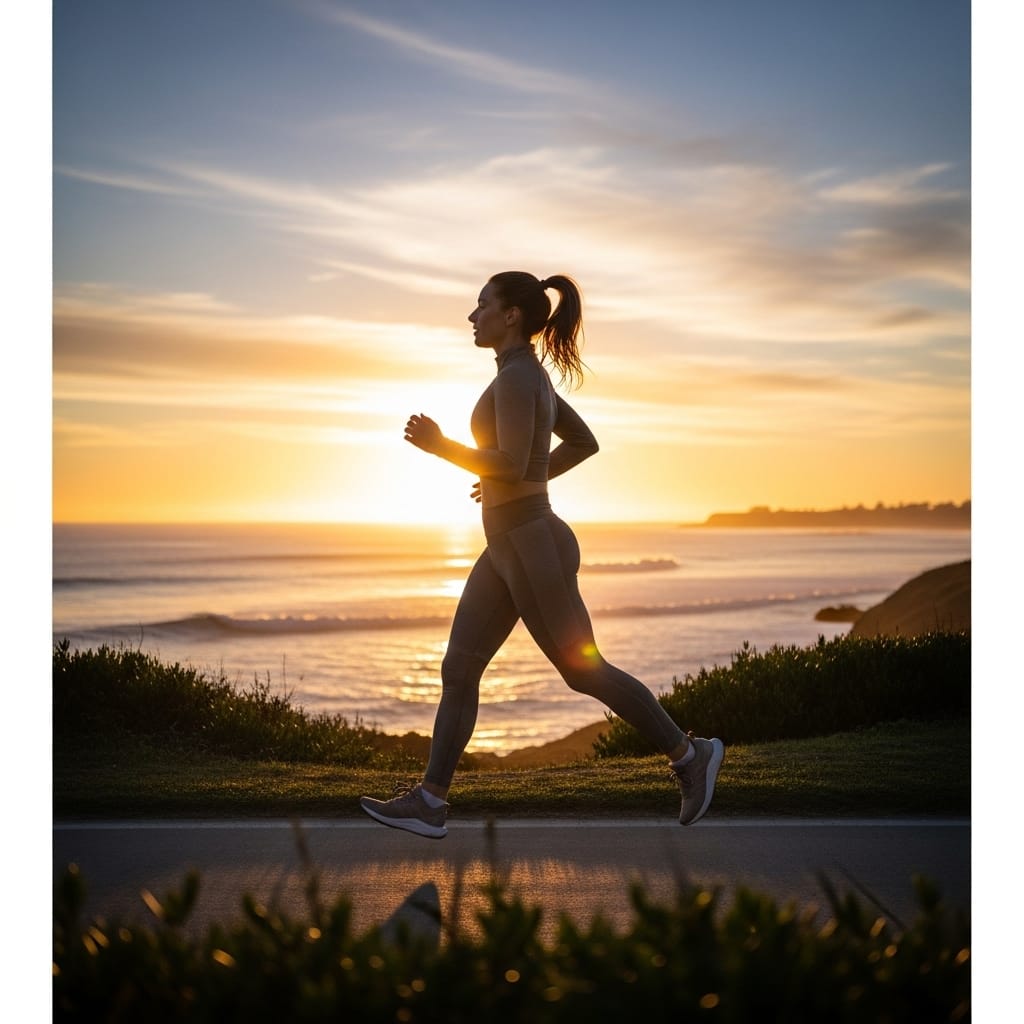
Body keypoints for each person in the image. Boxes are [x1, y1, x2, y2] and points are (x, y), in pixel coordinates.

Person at [360, 272, 724, 838]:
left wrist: (444, 449)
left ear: (510, 316)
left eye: (482, 305)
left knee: (583, 670)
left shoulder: (519, 377)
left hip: (531, 543)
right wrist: (520, 480)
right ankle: (430, 801)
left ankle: (689, 755)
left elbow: (506, 461)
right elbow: (579, 444)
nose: (472, 315)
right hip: (509, 543)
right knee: (459, 669)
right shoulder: (529, 377)